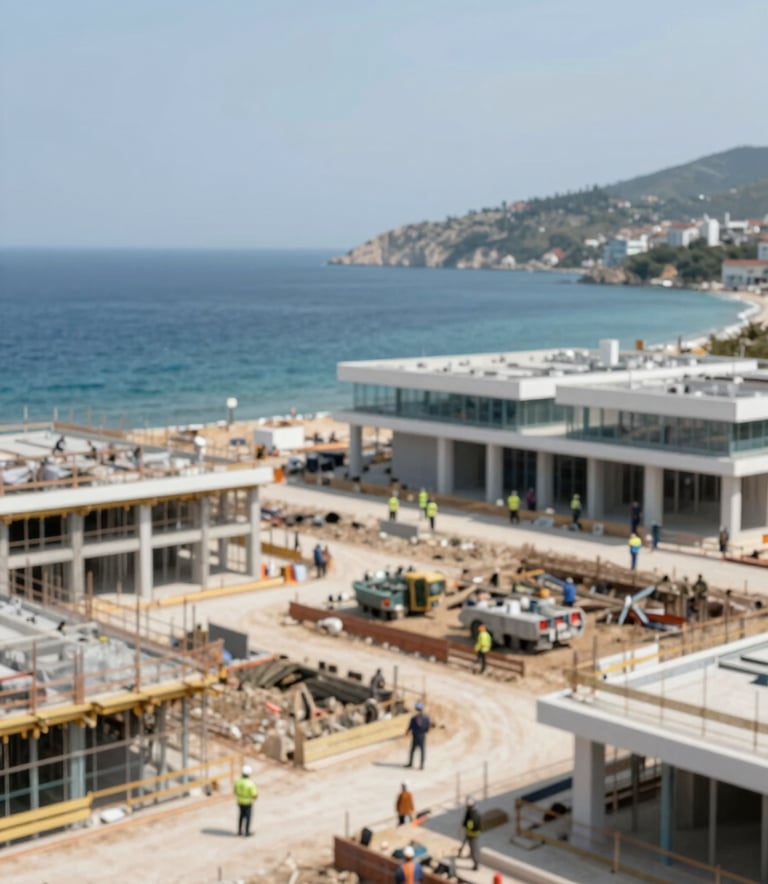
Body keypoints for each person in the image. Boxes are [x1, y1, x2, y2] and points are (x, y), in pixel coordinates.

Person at [234, 764, 258, 836]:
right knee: (248, 817)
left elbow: (235, 791)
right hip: (248, 803)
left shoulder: (238, 781)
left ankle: (239, 831)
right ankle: (247, 832)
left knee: (241, 816)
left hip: (240, 801)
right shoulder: (250, 783)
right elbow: (254, 794)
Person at [404, 701, 431, 769]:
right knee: (422, 750)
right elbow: (428, 727)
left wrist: (407, 733)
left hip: (415, 735)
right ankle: (421, 765)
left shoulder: (414, 718)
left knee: (412, 750)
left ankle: (410, 763)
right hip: (422, 735)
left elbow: (410, 727)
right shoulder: (426, 717)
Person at [462, 797, 482, 870]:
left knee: (473, 849)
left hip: (471, 834)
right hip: (475, 834)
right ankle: (472, 857)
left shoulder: (470, 814)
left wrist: (465, 825)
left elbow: (470, 824)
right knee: (473, 848)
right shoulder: (476, 811)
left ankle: (476, 864)